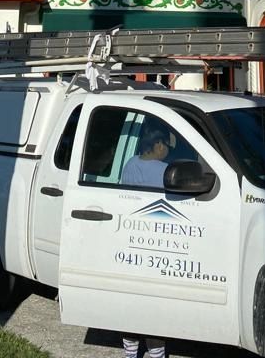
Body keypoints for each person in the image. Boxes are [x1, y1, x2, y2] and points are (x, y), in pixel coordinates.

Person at [120, 127, 170, 358]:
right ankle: (156, 352)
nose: (167, 150)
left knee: (132, 302)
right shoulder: (166, 170)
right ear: (158, 145)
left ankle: (130, 352)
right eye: (166, 146)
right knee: (154, 306)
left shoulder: (130, 163)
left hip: (131, 238)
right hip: (157, 239)